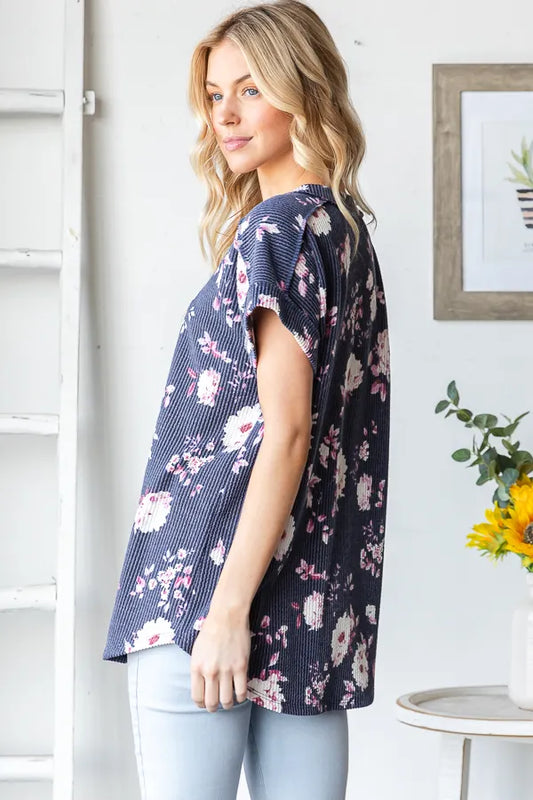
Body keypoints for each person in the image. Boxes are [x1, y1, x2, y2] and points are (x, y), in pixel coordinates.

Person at [102, 1, 391, 798]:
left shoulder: (275, 231)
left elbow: (289, 433)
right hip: (307, 602)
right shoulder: (343, 232)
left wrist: (226, 612)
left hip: (204, 594)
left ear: (304, 92)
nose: (224, 115)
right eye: (214, 93)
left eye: (250, 90)